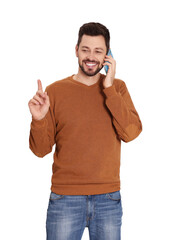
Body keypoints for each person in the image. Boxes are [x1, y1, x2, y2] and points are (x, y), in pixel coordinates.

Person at [28, 22, 142, 240]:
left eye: (98, 51)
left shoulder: (117, 88)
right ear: (76, 51)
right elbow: (40, 150)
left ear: (107, 55)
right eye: (85, 50)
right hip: (64, 198)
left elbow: (131, 133)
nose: (91, 57)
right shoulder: (55, 91)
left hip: (108, 199)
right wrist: (39, 120)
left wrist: (108, 88)